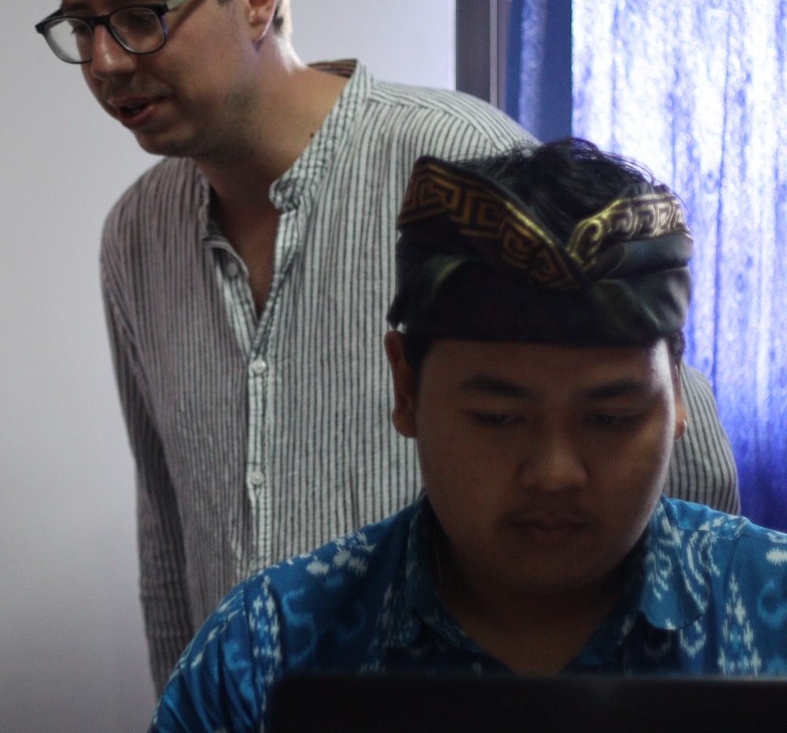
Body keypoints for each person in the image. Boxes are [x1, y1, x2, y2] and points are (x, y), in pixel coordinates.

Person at [33, 0, 739, 691]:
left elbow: (678, 467)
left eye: (141, 15)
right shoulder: (136, 236)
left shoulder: (455, 167)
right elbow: (169, 535)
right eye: (83, 26)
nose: (106, 61)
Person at [150, 140, 787, 732]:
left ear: (677, 395)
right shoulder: (267, 648)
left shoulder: (773, 609)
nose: (555, 473)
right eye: (499, 418)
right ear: (406, 389)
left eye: (610, 418)